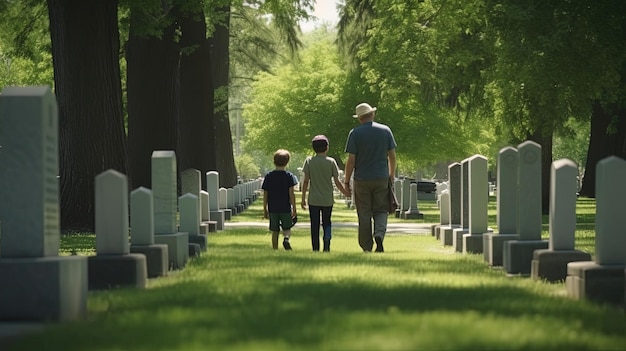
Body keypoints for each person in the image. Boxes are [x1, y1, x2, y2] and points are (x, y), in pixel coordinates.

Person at [344, 103, 397, 252]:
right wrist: (391, 174)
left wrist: (347, 181)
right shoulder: (385, 130)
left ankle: (367, 246)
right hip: (381, 177)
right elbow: (392, 157)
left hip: (362, 179)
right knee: (381, 210)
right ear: (372, 114)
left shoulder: (355, 133)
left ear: (359, 118)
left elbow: (351, 161)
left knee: (364, 213)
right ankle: (379, 233)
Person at [300, 135, 350, 252]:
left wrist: (303, 198)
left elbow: (305, 181)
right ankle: (327, 244)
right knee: (327, 222)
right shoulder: (331, 162)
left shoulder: (309, 161)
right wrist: (346, 192)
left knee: (315, 224)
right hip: (327, 199)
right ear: (327, 147)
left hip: (314, 199)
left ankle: (315, 248)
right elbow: (337, 182)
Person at [262, 149, 298, 250]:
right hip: (285, 207)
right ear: (287, 162)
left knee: (275, 230)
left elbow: (265, 193)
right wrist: (294, 207)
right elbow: (291, 193)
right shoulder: (288, 176)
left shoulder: (269, 176)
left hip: (273, 208)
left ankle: (275, 249)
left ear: (274, 161)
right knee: (287, 228)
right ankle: (286, 239)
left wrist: (265, 208)